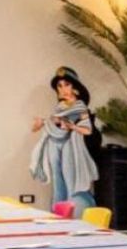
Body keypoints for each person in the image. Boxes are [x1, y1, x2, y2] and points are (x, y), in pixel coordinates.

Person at [30, 66, 100, 215]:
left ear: (75, 88)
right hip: (55, 142)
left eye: (67, 85)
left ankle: (77, 213)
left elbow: (87, 130)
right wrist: (43, 122)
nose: (63, 89)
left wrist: (72, 126)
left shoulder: (80, 106)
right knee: (58, 180)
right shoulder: (60, 107)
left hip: (71, 144)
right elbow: (54, 122)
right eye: (59, 86)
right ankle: (59, 214)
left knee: (71, 179)